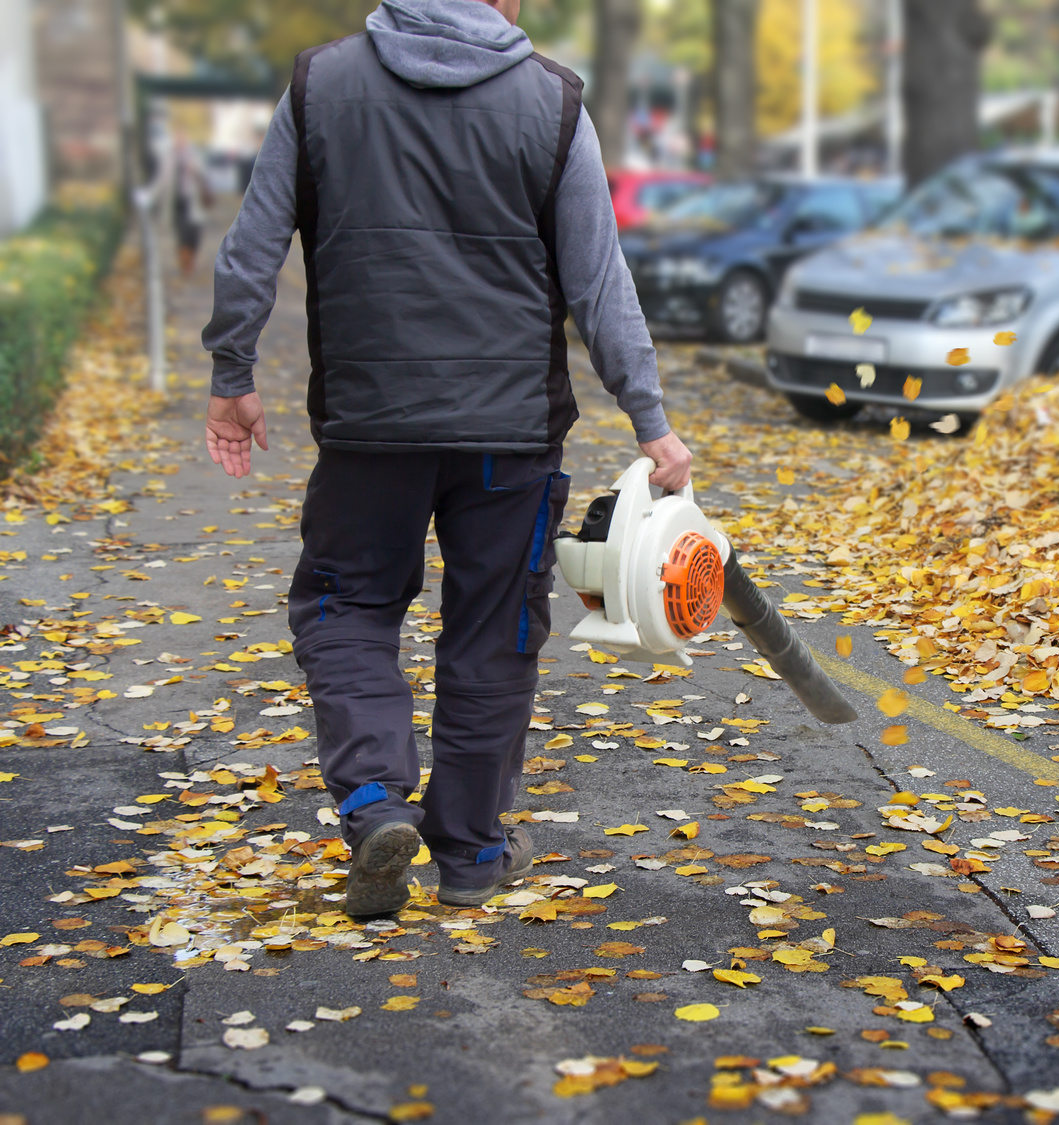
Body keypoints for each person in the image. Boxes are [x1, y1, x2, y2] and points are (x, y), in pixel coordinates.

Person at [200, 0, 692, 917]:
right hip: (508, 436)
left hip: (367, 427)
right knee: (494, 631)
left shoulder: (320, 85)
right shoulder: (550, 101)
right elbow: (596, 278)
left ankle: (375, 799)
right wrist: (649, 418)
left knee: (345, 608)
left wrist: (234, 369)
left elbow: (253, 245)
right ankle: (468, 851)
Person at [172, 136, 210, 276]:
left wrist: (194, 169)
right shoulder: (170, 160)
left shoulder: (195, 158)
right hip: (178, 203)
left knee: (194, 234)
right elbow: (161, 181)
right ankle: (186, 264)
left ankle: (190, 259)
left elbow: (205, 176)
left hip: (193, 203)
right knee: (182, 233)